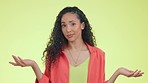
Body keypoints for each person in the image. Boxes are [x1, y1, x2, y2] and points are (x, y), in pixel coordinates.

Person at [9, 6, 144, 83]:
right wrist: (33, 64)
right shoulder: (54, 53)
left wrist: (118, 72)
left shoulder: (98, 55)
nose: (68, 30)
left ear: (82, 25)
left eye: (73, 24)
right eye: (64, 25)